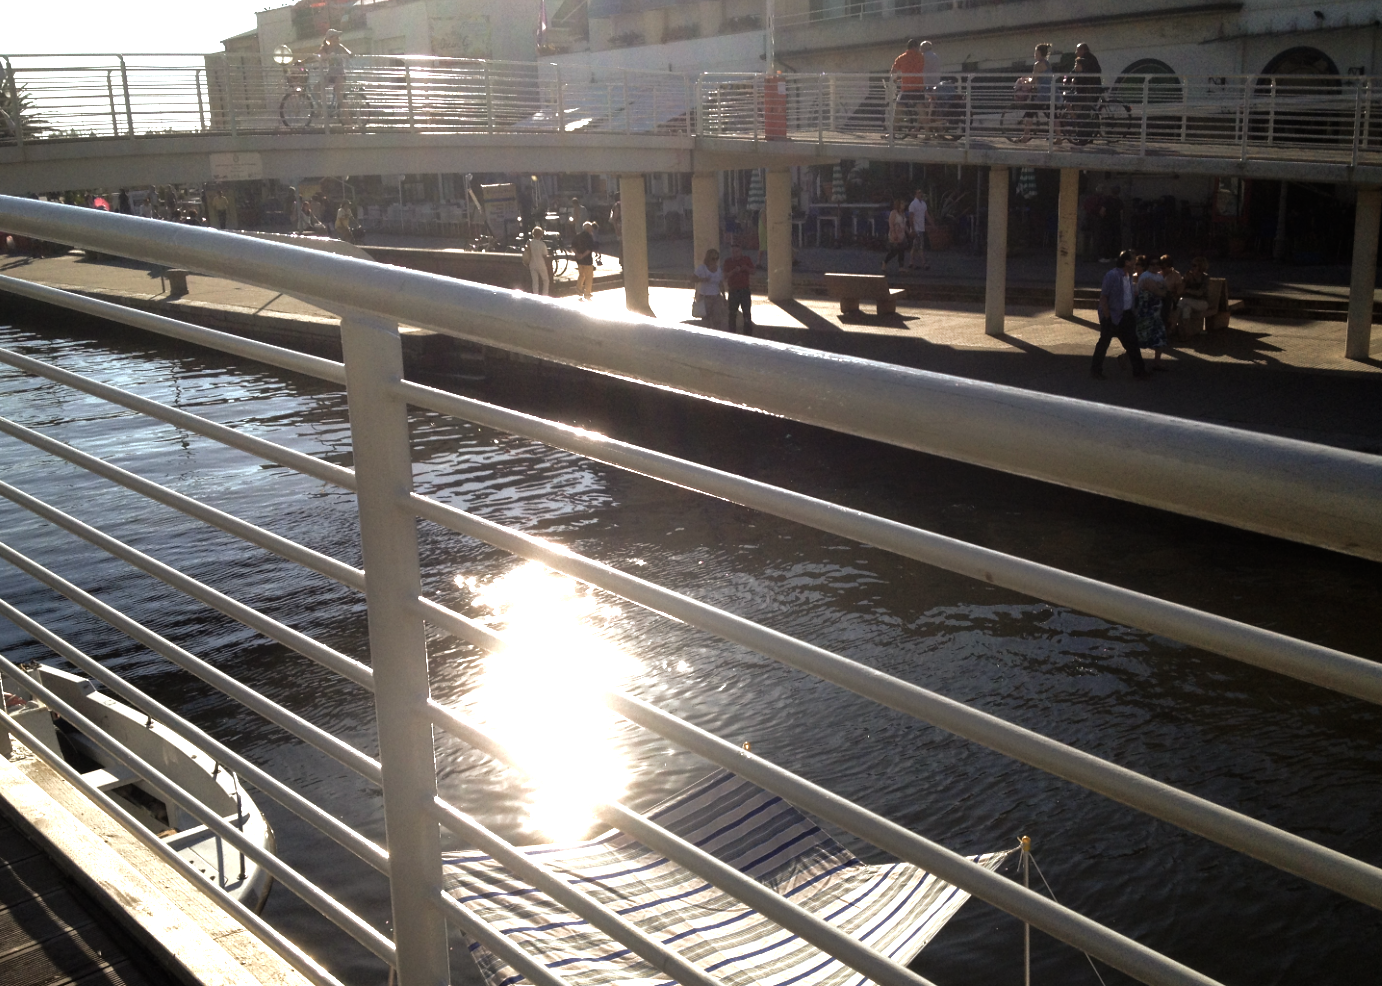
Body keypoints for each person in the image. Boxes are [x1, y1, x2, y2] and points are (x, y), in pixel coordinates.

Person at [1092, 250, 1150, 380]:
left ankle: (1139, 371)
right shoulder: (1112, 275)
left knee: (1132, 343)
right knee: (1104, 342)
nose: (1136, 263)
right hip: (1112, 315)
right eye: (1133, 260)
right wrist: (1107, 317)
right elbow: (1104, 297)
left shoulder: (1128, 276)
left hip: (1126, 314)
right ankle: (1095, 370)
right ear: (1126, 262)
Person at [1133, 254, 1169, 369]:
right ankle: (1125, 357)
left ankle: (1157, 362)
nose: (1155, 266)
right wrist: (1159, 289)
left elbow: (1165, 290)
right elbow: (1161, 292)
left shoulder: (1160, 277)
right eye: (1152, 264)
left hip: (1156, 313)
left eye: (1157, 264)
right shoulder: (1145, 276)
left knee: (1159, 337)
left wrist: (1158, 288)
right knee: (1141, 337)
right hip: (1145, 313)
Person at [890, 39, 928, 137]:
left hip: (906, 88)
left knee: (898, 110)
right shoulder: (921, 57)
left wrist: (896, 79)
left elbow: (893, 71)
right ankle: (928, 134)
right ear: (916, 47)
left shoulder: (901, 58)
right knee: (922, 111)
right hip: (918, 87)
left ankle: (892, 134)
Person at [1018, 44, 1054, 142]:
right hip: (1050, 91)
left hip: (1042, 93)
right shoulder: (1047, 63)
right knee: (1051, 115)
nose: (1034, 54)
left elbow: (1033, 80)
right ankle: (1057, 135)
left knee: (1030, 112)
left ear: (1039, 53)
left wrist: (1025, 82)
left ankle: (1026, 135)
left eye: (1036, 52)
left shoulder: (1037, 64)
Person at [722, 243, 756, 334]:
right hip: (733, 290)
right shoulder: (728, 261)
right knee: (732, 313)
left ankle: (748, 333)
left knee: (747, 312)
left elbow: (753, 271)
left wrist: (746, 268)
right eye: (733, 252)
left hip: (744, 290)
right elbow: (724, 276)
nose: (735, 254)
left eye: (737, 252)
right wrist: (733, 271)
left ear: (740, 251)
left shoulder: (746, 259)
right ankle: (732, 332)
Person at [317, 29, 352, 116]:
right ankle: (324, 107)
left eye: (338, 37)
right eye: (335, 37)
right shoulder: (325, 49)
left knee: (339, 96)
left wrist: (348, 54)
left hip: (340, 75)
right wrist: (302, 61)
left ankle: (348, 121)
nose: (337, 39)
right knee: (316, 88)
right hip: (330, 75)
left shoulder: (339, 47)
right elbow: (315, 56)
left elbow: (348, 52)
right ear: (329, 39)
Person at [693, 247, 728, 331]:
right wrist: (703, 279)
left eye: (716, 258)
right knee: (705, 318)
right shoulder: (702, 268)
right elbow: (693, 279)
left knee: (717, 318)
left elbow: (720, 283)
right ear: (708, 258)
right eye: (713, 258)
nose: (715, 261)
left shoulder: (718, 269)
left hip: (716, 296)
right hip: (705, 297)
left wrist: (724, 296)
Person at [1178, 255, 1210, 330]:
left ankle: (1172, 326)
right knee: (1186, 309)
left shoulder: (1205, 277)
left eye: (1194, 266)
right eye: (1192, 265)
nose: (1192, 268)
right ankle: (1185, 332)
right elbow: (1179, 291)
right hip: (1189, 301)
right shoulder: (1189, 277)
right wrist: (1185, 280)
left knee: (1182, 301)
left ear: (1200, 267)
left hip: (1202, 302)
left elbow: (1200, 293)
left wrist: (1188, 291)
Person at [1158, 254, 1184, 336]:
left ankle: (1165, 327)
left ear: (1169, 266)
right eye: (1161, 267)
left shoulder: (1176, 275)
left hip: (1171, 298)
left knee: (1166, 304)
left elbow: (1179, 291)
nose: (1162, 269)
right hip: (1159, 296)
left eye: (1164, 267)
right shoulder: (1159, 275)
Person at [882, 198, 909, 274]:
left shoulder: (903, 214)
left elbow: (904, 224)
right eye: (902, 204)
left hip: (901, 234)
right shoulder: (894, 213)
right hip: (895, 233)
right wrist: (893, 233)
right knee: (894, 251)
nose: (904, 205)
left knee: (902, 250)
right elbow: (891, 224)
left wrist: (909, 232)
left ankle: (901, 267)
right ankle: (885, 262)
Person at [523, 226, 552, 295]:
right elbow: (545, 254)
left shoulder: (529, 242)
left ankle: (535, 295)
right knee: (546, 280)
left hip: (532, 264)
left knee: (535, 282)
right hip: (541, 264)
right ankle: (545, 295)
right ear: (541, 234)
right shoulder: (542, 244)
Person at [572, 221, 596, 301]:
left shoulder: (578, 236)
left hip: (579, 260)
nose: (592, 229)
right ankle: (587, 292)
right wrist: (583, 255)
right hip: (587, 260)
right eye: (591, 228)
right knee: (589, 277)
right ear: (588, 228)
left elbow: (573, 246)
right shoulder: (589, 237)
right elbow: (589, 249)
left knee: (581, 275)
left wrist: (577, 254)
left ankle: (579, 288)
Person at [907, 189, 929, 270]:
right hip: (916, 228)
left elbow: (926, 214)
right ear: (915, 194)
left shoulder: (923, 204)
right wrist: (912, 229)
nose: (921, 194)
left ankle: (911, 262)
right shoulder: (913, 204)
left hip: (921, 228)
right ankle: (923, 262)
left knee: (916, 246)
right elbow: (911, 217)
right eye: (919, 192)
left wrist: (932, 223)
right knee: (919, 246)